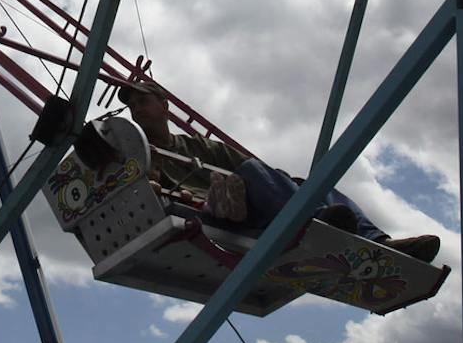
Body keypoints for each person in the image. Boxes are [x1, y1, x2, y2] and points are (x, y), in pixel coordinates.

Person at [111, 79, 439, 263]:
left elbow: (254, 168)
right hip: (209, 214)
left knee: (312, 185)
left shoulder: (200, 147)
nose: (137, 110)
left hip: (249, 209)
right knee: (259, 173)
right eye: (132, 105)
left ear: (163, 104)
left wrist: (287, 186)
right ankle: (311, 223)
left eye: (143, 102)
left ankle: (380, 243)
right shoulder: (138, 156)